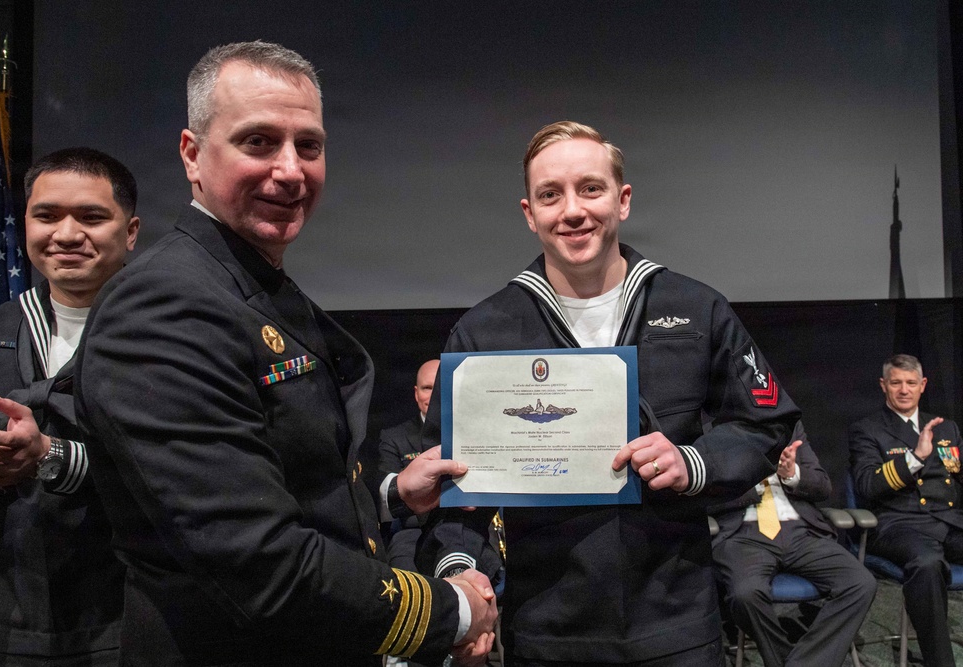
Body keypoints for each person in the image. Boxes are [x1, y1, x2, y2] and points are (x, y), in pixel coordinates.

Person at [74, 41, 496, 666]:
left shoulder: (245, 283)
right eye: (259, 142)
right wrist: (453, 611)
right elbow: (259, 562)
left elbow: (281, 478)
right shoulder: (165, 307)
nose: (292, 169)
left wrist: (389, 497)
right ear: (192, 154)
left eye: (310, 146)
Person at [417, 120, 801, 666]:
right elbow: (453, 478)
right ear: (530, 214)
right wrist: (459, 571)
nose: (572, 210)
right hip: (548, 628)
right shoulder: (485, 332)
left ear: (622, 201)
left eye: (589, 188)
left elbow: (766, 422)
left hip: (678, 621)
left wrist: (693, 462)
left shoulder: (697, 309)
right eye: (550, 195)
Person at [0, 147, 140, 665]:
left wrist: (50, 455)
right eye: (46, 215)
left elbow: (179, 471)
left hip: (137, 614)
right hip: (9, 618)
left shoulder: (171, 329)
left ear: (130, 232)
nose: (65, 233)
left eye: (90, 216)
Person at [710, 421, 876, 667]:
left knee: (861, 583)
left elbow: (822, 486)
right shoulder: (709, 430)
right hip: (743, 534)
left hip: (800, 530)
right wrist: (749, 479)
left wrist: (792, 475)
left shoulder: (788, 426)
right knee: (745, 594)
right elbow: (697, 495)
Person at [849, 353, 963, 667]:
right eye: (896, 382)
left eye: (911, 383)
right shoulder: (867, 430)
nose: (904, 390)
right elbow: (867, 486)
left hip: (948, 522)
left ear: (922, 385)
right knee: (927, 564)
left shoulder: (945, 427)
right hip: (898, 525)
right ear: (883, 385)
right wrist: (914, 458)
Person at [378, 359, 439, 569]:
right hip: (412, 535)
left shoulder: (473, 436)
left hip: (466, 532)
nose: (433, 395)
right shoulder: (394, 437)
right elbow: (388, 498)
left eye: (439, 386)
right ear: (416, 393)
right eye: (427, 388)